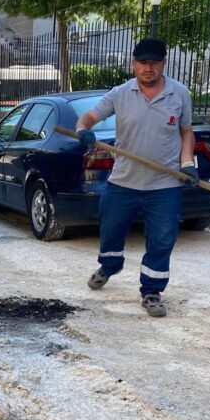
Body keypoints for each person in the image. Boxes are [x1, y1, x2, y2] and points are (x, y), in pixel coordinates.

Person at [74, 38, 197, 318]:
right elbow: (88, 119)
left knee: (163, 239)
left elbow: (186, 132)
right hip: (123, 182)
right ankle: (110, 265)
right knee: (110, 231)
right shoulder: (120, 93)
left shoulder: (179, 94)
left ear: (163, 63)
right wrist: (83, 131)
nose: (148, 68)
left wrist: (188, 163)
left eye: (154, 62)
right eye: (143, 62)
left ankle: (151, 291)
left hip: (164, 186)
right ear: (134, 64)